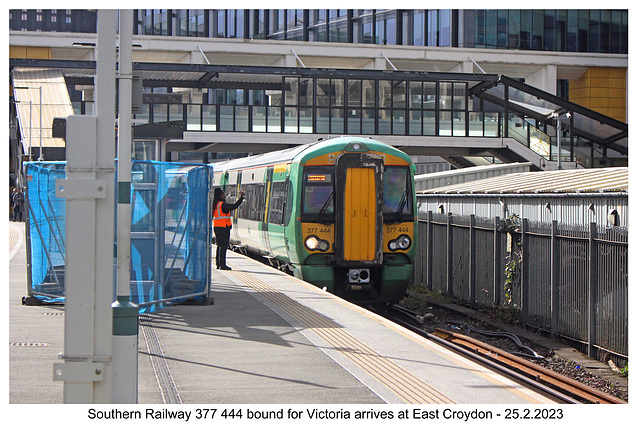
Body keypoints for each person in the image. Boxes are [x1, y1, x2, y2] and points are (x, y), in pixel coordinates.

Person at [212, 188, 245, 270]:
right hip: (224, 228)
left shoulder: (216, 204)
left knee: (219, 246)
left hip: (217, 227)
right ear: (221, 196)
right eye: (224, 194)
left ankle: (218, 264)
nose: (225, 195)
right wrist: (241, 198)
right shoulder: (223, 205)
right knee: (223, 247)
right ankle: (222, 265)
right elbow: (234, 206)